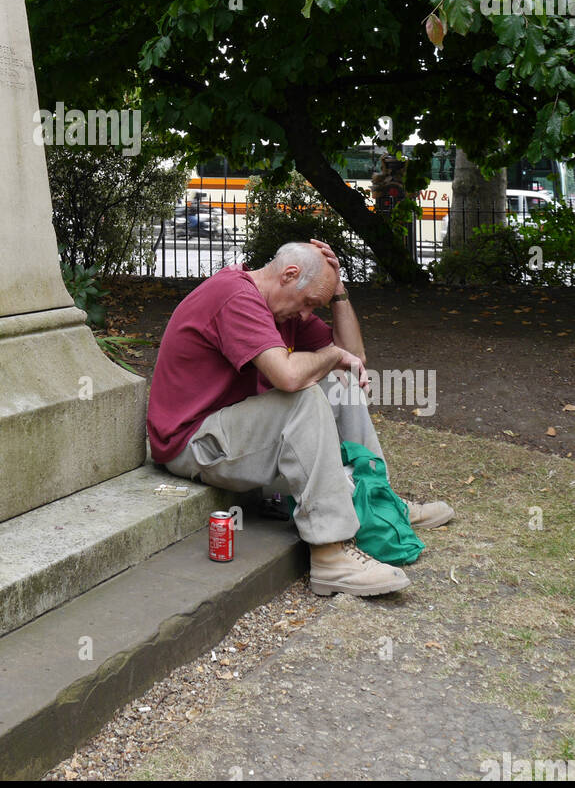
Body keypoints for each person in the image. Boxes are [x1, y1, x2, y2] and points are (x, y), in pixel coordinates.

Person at [147, 240, 454, 597]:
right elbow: (289, 377)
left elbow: (354, 356)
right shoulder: (236, 296)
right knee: (303, 394)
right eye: (310, 303)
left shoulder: (285, 309)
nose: (309, 315)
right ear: (289, 275)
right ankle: (330, 554)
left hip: (235, 431)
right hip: (192, 445)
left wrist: (337, 292)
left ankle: (379, 501)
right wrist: (333, 355)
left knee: (341, 380)